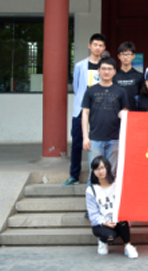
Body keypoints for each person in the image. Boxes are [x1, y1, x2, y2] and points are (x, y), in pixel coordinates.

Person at [63, 33, 106, 186]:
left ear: (104, 48)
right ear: (89, 46)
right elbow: (77, 87)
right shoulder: (80, 65)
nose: (97, 48)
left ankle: (102, 175)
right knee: (77, 143)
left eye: (101, 45)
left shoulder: (106, 65)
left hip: (101, 109)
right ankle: (74, 175)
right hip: (81, 109)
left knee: (101, 142)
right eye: (95, 45)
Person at [82, 57, 128, 180]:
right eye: (103, 69)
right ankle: (93, 193)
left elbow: (126, 110)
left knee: (111, 172)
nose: (106, 72)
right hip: (95, 138)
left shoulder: (120, 91)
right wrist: (85, 137)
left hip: (115, 138)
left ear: (114, 71)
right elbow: (85, 113)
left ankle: (109, 193)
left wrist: (124, 112)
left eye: (109, 69)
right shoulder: (91, 90)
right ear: (98, 71)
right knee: (95, 172)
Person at [86, 155, 138, 259]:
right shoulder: (91, 190)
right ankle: (102, 241)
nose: (100, 171)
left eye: (102, 168)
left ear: (107, 167)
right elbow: (93, 214)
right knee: (110, 237)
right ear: (93, 172)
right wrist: (105, 222)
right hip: (102, 224)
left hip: (118, 221)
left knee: (123, 221)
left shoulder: (117, 184)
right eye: (96, 169)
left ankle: (128, 246)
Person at [113, 41, 144, 111]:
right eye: (123, 54)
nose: (126, 57)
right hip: (116, 112)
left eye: (128, 54)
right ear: (119, 56)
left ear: (133, 56)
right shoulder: (114, 76)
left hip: (134, 113)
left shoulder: (139, 76)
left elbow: (142, 98)